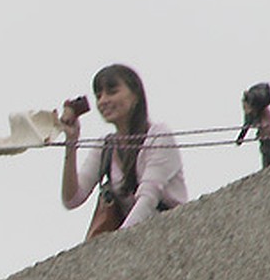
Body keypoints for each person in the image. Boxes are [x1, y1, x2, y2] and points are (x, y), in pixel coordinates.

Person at [58, 64, 187, 239]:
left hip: (169, 233)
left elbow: (149, 198)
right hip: (133, 239)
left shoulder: (159, 135)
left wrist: (118, 243)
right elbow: (72, 199)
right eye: (99, 95)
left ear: (135, 95)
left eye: (112, 92)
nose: (103, 100)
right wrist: (71, 142)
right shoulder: (105, 147)